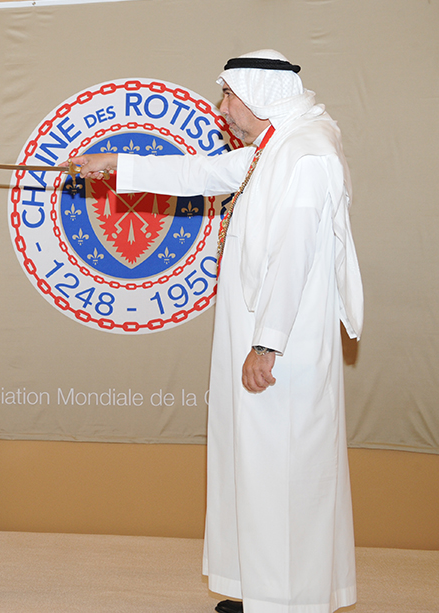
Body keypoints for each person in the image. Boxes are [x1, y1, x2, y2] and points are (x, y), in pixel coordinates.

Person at [70, 50, 363, 613]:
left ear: (260, 93)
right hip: (261, 337)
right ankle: (262, 591)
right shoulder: (276, 147)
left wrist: (266, 343)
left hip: (284, 349)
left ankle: (287, 601)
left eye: (228, 94)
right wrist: (115, 164)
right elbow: (201, 173)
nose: (221, 107)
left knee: (282, 472)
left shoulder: (306, 154)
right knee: (254, 467)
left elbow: (296, 256)